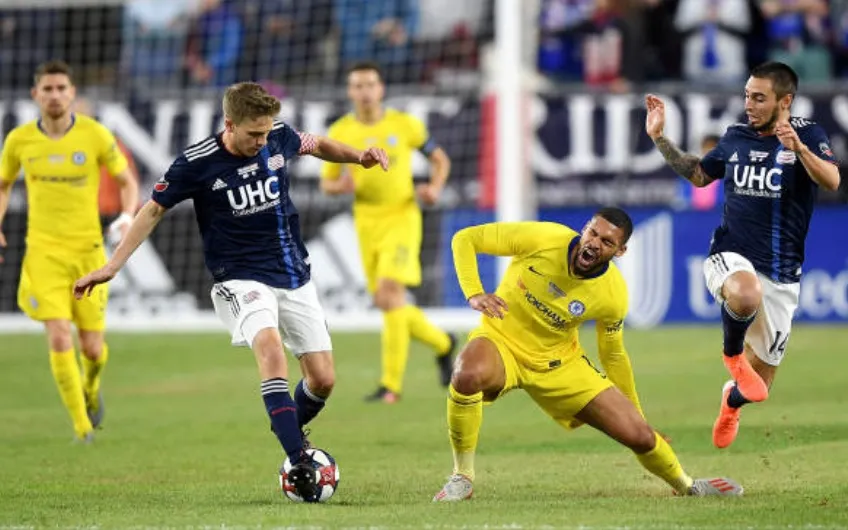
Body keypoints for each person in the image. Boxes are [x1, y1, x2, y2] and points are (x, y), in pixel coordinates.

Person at [74, 81, 389, 501]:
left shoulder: (278, 136)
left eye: (266, 133)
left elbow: (315, 144)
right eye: (253, 134)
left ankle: (287, 424)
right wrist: (113, 265)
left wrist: (359, 157)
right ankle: (299, 459)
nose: (262, 141)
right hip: (238, 276)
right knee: (270, 348)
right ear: (229, 124)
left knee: (324, 380)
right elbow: (151, 211)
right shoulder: (195, 162)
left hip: (292, 271)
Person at [433, 209, 743, 501]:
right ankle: (463, 476)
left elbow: (614, 356)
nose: (594, 243)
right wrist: (474, 292)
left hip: (559, 365)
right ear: (585, 229)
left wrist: (638, 414)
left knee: (640, 436)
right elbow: (465, 238)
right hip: (500, 341)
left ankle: (688, 487)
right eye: (592, 233)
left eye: (607, 241)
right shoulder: (543, 238)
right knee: (467, 374)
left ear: (619, 252)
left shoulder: (612, 294)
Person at [645, 61, 840, 449]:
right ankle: (732, 356)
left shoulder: (808, 135)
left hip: (783, 272)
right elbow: (700, 174)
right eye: (747, 95)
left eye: (759, 97)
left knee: (759, 388)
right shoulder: (735, 137)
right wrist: (660, 139)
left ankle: (731, 400)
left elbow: (832, 180)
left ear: (785, 101)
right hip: (730, 255)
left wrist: (798, 149)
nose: (748, 104)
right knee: (745, 294)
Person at [0, 60, 140, 443]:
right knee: (59, 336)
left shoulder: (95, 135)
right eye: (48, 89)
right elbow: (3, 184)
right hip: (43, 252)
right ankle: (82, 428)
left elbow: (127, 180)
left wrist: (127, 216)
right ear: (35, 95)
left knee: (92, 349)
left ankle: (91, 389)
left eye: (62, 88)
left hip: (89, 252)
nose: (55, 95)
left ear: (72, 93)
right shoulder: (18, 140)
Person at [320, 61, 457, 403]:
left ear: (381, 89)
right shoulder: (339, 131)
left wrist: (435, 189)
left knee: (389, 293)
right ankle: (443, 343)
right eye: (357, 86)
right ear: (350, 92)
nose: (364, 92)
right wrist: (343, 186)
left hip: (402, 217)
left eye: (370, 84)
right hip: (366, 222)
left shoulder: (404, 124)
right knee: (385, 301)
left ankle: (390, 387)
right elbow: (327, 183)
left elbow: (440, 160)